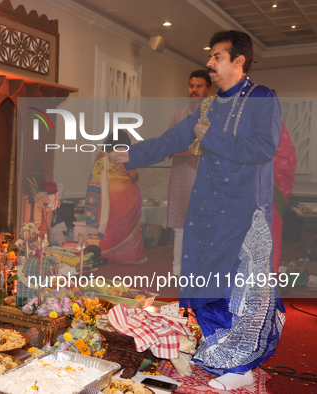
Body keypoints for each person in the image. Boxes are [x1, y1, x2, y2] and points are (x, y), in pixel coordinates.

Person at [111, 30, 284, 390]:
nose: (209, 63)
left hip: (244, 211)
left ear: (239, 60)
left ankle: (243, 365)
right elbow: (174, 139)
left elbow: (262, 149)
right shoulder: (208, 106)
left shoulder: (263, 99)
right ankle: (222, 354)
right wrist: (132, 154)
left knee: (241, 290)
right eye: (210, 56)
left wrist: (210, 136)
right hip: (206, 209)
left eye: (217, 56)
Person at [167, 70, 212, 276]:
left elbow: (200, 146)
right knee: (180, 224)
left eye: (199, 86)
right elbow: (168, 143)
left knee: (203, 225)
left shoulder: (213, 115)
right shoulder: (178, 114)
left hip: (204, 176)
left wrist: (178, 149)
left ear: (208, 89)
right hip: (180, 175)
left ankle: (201, 271)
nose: (194, 90)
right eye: (191, 86)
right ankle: (177, 269)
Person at [85, 130, 146, 264]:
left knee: (109, 226)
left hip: (106, 195)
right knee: (127, 226)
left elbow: (95, 176)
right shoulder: (125, 155)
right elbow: (133, 175)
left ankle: (107, 252)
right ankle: (129, 256)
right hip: (126, 195)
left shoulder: (102, 156)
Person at [270, 91, 297, 274]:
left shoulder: (278, 127)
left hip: (272, 192)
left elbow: (287, 159)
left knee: (271, 241)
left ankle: (266, 289)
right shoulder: (246, 126)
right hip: (245, 193)